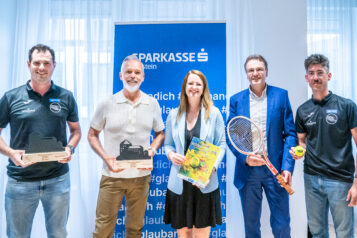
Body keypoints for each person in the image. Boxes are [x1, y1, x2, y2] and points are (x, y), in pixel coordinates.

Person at [0, 44, 81, 238]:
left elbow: (76, 131)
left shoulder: (66, 96)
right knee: (17, 235)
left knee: (58, 234)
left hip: (58, 179)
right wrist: (11, 152)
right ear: (29, 64)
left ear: (54, 65)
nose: (41, 67)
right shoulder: (11, 97)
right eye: (37, 63)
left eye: (46, 63)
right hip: (20, 180)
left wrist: (70, 148)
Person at [88, 54, 165, 238]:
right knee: (102, 230)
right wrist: (106, 157)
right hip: (112, 176)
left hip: (141, 177)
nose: (133, 76)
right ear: (121, 75)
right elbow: (92, 135)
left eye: (137, 72)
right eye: (128, 72)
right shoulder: (107, 103)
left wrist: (152, 150)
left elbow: (160, 133)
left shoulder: (152, 103)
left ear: (143, 76)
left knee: (135, 229)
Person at [227, 54, 297, 238]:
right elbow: (231, 136)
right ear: (246, 74)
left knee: (282, 225)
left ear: (266, 71)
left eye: (259, 69)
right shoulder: (236, 100)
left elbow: (290, 134)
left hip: (276, 171)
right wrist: (245, 158)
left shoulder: (281, 96)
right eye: (251, 70)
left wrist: (287, 167)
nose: (255, 73)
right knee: (251, 227)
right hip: (248, 172)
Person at [290, 54, 357, 237]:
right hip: (312, 178)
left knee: (344, 233)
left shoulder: (347, 106)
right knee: (317, 232)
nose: (316, 77)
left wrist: (356, 182)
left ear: (329, 75)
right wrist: (298, 152)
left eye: (320, 72)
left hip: (340, 180)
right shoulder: (303, 110)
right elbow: (302, 143)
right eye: (311, 73)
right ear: (306, 78)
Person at [164, 70, 226, 238]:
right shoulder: (173, 115)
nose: (194, 87)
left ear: (203, 88)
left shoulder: (214, 114)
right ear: (185, 87)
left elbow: (221, 144)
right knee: (183, 233)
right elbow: (167, 145)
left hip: (204, 183)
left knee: (200, 234)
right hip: (179, 183)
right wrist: (171, 155)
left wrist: (211, 169)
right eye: (190, 83)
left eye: (198, 84)